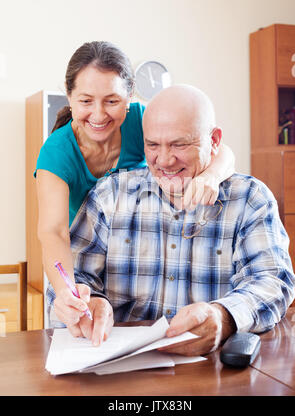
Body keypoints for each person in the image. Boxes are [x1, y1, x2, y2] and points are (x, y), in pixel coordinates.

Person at [52, 84, 295, 355]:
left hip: (210, 369)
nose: (165, 160)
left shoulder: (249, 199)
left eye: (179, 145)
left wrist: (224, 316)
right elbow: (73, 276)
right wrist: (87, 301)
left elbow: (272, 281)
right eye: (153, 145)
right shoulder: (109, 196)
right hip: (119, 367)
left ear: (214, 141)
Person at [35, 41, 235, 323]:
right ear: (69, 97)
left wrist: (210, 176)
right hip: (79, 260)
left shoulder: (141, 120)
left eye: (112, 101)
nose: (99, 114)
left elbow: (220, 149)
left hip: (133, 258)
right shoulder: (57, 152)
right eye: (85, 101)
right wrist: (68, 291)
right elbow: (54, 232)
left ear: (130, 96)